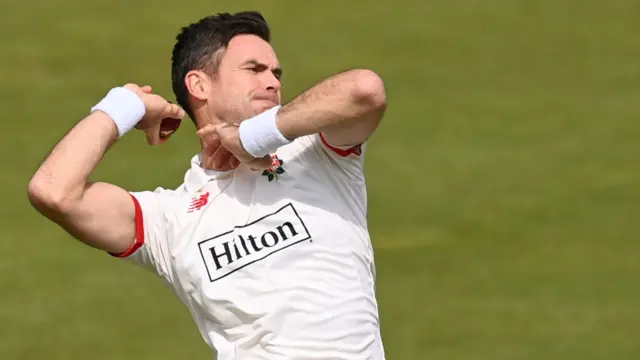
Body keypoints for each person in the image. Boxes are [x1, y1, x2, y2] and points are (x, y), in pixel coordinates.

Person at [27, 11, 387, 360]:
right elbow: (53, 191)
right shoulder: (166, 221)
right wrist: (125, 104)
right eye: (254, 69)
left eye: (276, 72)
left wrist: (253, 137)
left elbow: (365, 90)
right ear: (199, 85)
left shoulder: (319, 156)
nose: (273, 82)